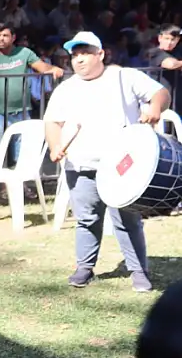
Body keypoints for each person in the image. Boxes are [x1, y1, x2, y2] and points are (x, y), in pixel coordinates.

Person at [44, 31, 170, 293]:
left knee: (128, 219)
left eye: (85, 53)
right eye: (74, 55)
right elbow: (52, 121)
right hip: (80, 164)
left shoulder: (124, 76)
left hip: (122, 165)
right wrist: (55, 146)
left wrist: (156, 108)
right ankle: (84, 268)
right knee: (87, 219)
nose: (78, 60)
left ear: (100, 54)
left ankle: (138, 271)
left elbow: (160, 92)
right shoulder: (66, 88)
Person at [0, 23, 63, 163]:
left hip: (22, 111)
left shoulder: (24, 53)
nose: (1, 39)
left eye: (5, 35)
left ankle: (21, 184)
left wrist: (53, 68)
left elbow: (41, 67)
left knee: (23, 154)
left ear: (13, 37)